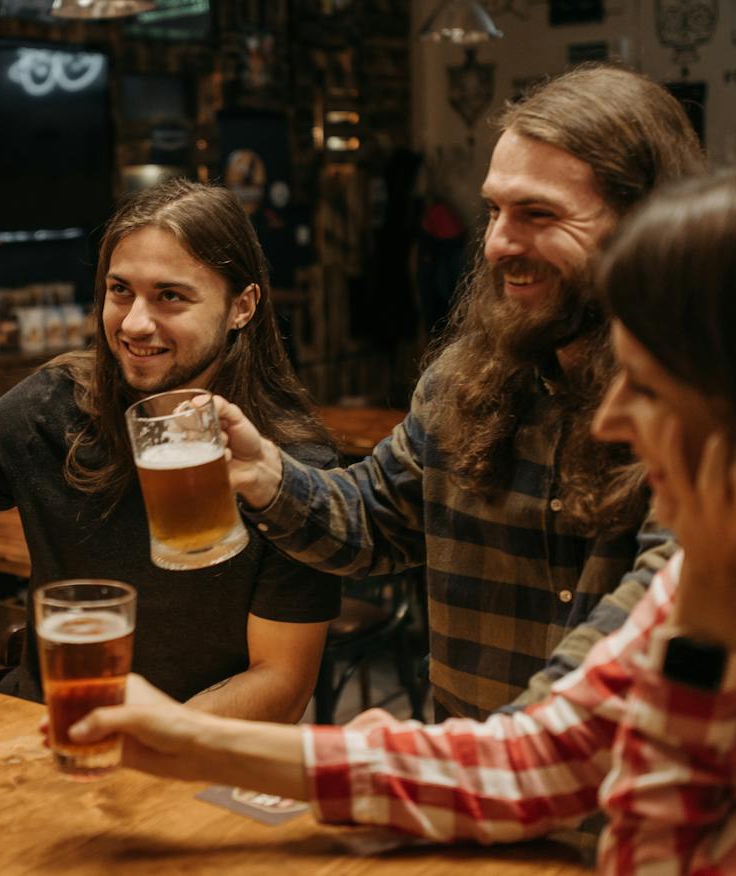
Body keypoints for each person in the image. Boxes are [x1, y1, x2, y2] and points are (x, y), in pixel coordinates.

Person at [74, 156, 736, 872]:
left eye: (650, 388)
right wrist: (190, 741)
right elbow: (541, 756)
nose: (610, 420)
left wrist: (708, 628)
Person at [221, 65, 708, 720]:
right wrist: (264, 473)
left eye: (538, 214)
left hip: (614, 807)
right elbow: (374, 520)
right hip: (461, 801)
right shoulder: (463, 379)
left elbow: (617, 671)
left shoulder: (706, 412)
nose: (500, 243)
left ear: (648, 224)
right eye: (495, 211)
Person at [0, 180, 340, 720]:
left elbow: (281, 683)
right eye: (121, 290)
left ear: (242, 306)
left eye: (170, 295)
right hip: (44, 732)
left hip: (196, 758)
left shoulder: (291, 470)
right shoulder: (52, 407)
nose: (135, 322)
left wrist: (154, 736)